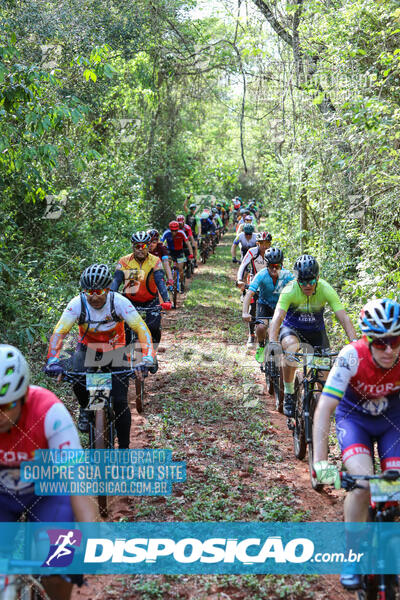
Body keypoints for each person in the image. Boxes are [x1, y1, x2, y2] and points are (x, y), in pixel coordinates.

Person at [312, 298, 400, 590]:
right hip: (355, 421)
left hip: (392, 423)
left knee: (394, 486)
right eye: (380, 343)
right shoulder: (351, 356)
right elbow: (324, 408)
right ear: (367, 339)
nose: (389, 349)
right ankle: (353, 553)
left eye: (395, 340)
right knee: (362, 485)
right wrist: (321, 465)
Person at [0, 344, 99, 600]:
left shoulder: (49, 412)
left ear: (22, 396)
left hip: (48, 492)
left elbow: (78, 482)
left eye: (7, 404)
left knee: (59, 562)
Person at [45, 263, 154, 443]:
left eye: (100, 291)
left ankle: (124, 451)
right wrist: (53, 360)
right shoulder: (77, 304)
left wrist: (148, 357)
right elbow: (59, 332)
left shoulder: (118, 301)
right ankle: (86, 409)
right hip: (88, 349)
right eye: (89, 292)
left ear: (108, 289)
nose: (94, 297)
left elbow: (141, 329)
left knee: (120, 402)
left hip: (116, 350)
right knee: (78, 378)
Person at [268, 254, 357, 418]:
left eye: (311, 281)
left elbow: (343, 317)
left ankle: (317, 412)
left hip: (316, 333)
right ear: (297, 280)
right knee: (290, 348)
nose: (307, 285)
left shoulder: (325, 288)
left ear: (318, 277)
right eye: (302, 281)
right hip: (292, 329)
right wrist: (273, 342)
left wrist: (355, 342)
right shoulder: (289, 290)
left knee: (323, 380)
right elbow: (277, 318)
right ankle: (289, 394)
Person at [111, 231, 172, 373]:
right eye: (137, 246)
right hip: (129, 301)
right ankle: (124, 362)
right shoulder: (124, 261)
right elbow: (116, 281)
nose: (140, 248)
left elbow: (160, 281)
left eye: (143, 245)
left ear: (148, 246)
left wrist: (167, 299)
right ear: (133, 247)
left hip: (150, 301)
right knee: (125, 331)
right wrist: (110, 299)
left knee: (154, 327)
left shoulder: (154, 261)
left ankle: (152, 353)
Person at [243, 248, 294, 359]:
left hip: (281, 306)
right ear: (267, 265)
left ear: (282, 265)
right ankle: (261, 346)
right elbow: (249, 293)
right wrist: (245, 312)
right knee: (261, 327)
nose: (274, 269)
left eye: (277, 266)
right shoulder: (261, 275)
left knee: (280, 330)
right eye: (271, 266)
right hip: (264, 305)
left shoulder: (288, 275)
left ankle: (282, 354)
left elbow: (298, 290)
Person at [162, 221, 193, 293]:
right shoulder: (166, 233)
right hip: (170, 251)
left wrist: (191, 254)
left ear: (178, 229)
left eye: (176, 230)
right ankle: (169, 282)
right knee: (167, 266)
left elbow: (188, 243)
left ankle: (182, 283)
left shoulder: (182, 233)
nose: (174, 232)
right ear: (170, 229)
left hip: (180, 252)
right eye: (172, 230)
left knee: (180, 269)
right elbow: (161, 243)